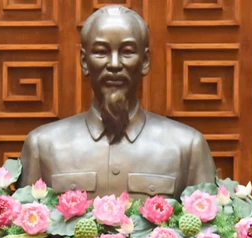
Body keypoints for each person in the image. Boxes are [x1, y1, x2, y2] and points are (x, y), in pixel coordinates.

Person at [18, 6, 217, 198]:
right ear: (85, 62)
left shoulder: (187, 147)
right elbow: (19, 228)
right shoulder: (43, 145)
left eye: (127, 51)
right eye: (101, 52)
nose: (114, 64)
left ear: (145, 61)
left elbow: (208, 229)